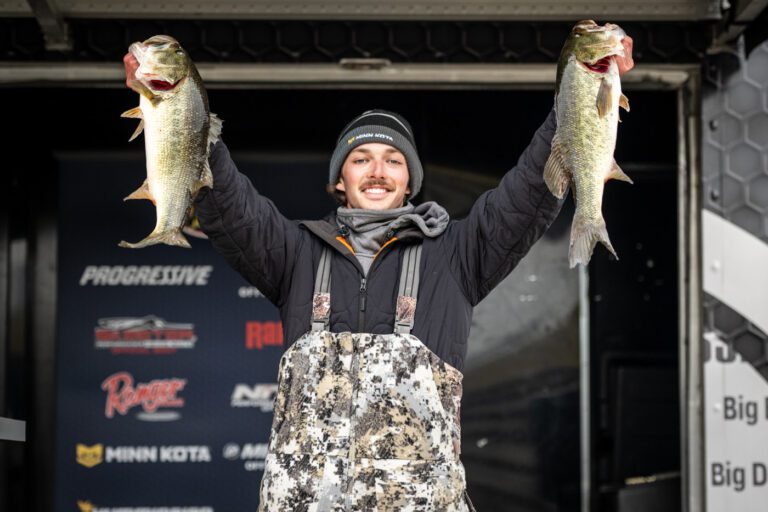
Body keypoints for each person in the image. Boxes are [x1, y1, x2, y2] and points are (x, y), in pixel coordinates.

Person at [124, 30, 633, 512]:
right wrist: (178, 106)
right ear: (339, 181)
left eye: (393, 160)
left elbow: (529, 193)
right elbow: (227, 203)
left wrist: (583, 89)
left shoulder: (458, 254)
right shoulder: (295, 253)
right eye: (361, 159)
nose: (377, 171)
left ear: (409, 181)